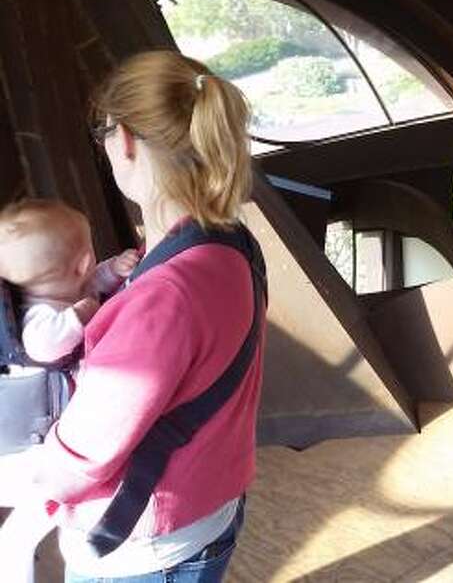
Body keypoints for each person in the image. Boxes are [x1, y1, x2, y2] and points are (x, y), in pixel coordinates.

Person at [4, 50, 266, 581]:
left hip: (148, 542)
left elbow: (82, 456)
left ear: (122, 139)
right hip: (211, 500)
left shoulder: (163, 294)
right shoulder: (231, 244)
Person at [0, 200, 139, 583]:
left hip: (44, 446)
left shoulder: (67, 288)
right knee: (24, 531)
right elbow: (44, 344)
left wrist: (115, 268)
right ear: (80, 263)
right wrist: (82, 315)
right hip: (30, 460)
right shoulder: (38, 316)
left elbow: (95, 279)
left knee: (35, 526)